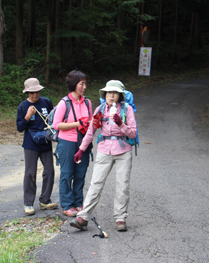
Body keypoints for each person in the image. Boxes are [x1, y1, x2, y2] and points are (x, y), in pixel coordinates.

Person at [69, 80, 137, 231]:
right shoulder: (100, 109)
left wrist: (121, 124)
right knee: (96, 183)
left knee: (122, 185)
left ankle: (120, 219)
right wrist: (81, 149)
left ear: (120, 95)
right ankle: (83, 217)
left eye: (115, 93)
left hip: (123, 150)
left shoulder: (127, 110)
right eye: (109, 92)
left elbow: (133, 133)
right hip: (104, 150)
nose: (111, 95)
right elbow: (91, 132)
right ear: (104, 94)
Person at [53, 70, 93, 217]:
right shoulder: (64, 103)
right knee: (67, 174)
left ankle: (78, 202)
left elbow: (90, 122)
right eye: (81, 84)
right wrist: (78, 123)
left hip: (83, 143)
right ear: (74, 84)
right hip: (67, 142)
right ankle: (67, 205)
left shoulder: (87, 102)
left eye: (85, 84)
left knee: (80, 174)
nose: (84, 87)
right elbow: (56, 125)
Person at [16, 78, 58, 216]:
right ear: (27, 92)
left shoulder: (45, 102)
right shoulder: (23, 106)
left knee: (49, 171)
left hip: (45, 142)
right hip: (30, 143)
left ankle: (45, 200)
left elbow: (53, 119)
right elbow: (20, 128)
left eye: (37, 91)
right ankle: (28, 203)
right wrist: (27, 116)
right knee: (30, 173)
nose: (35, 95)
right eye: (32, 92)